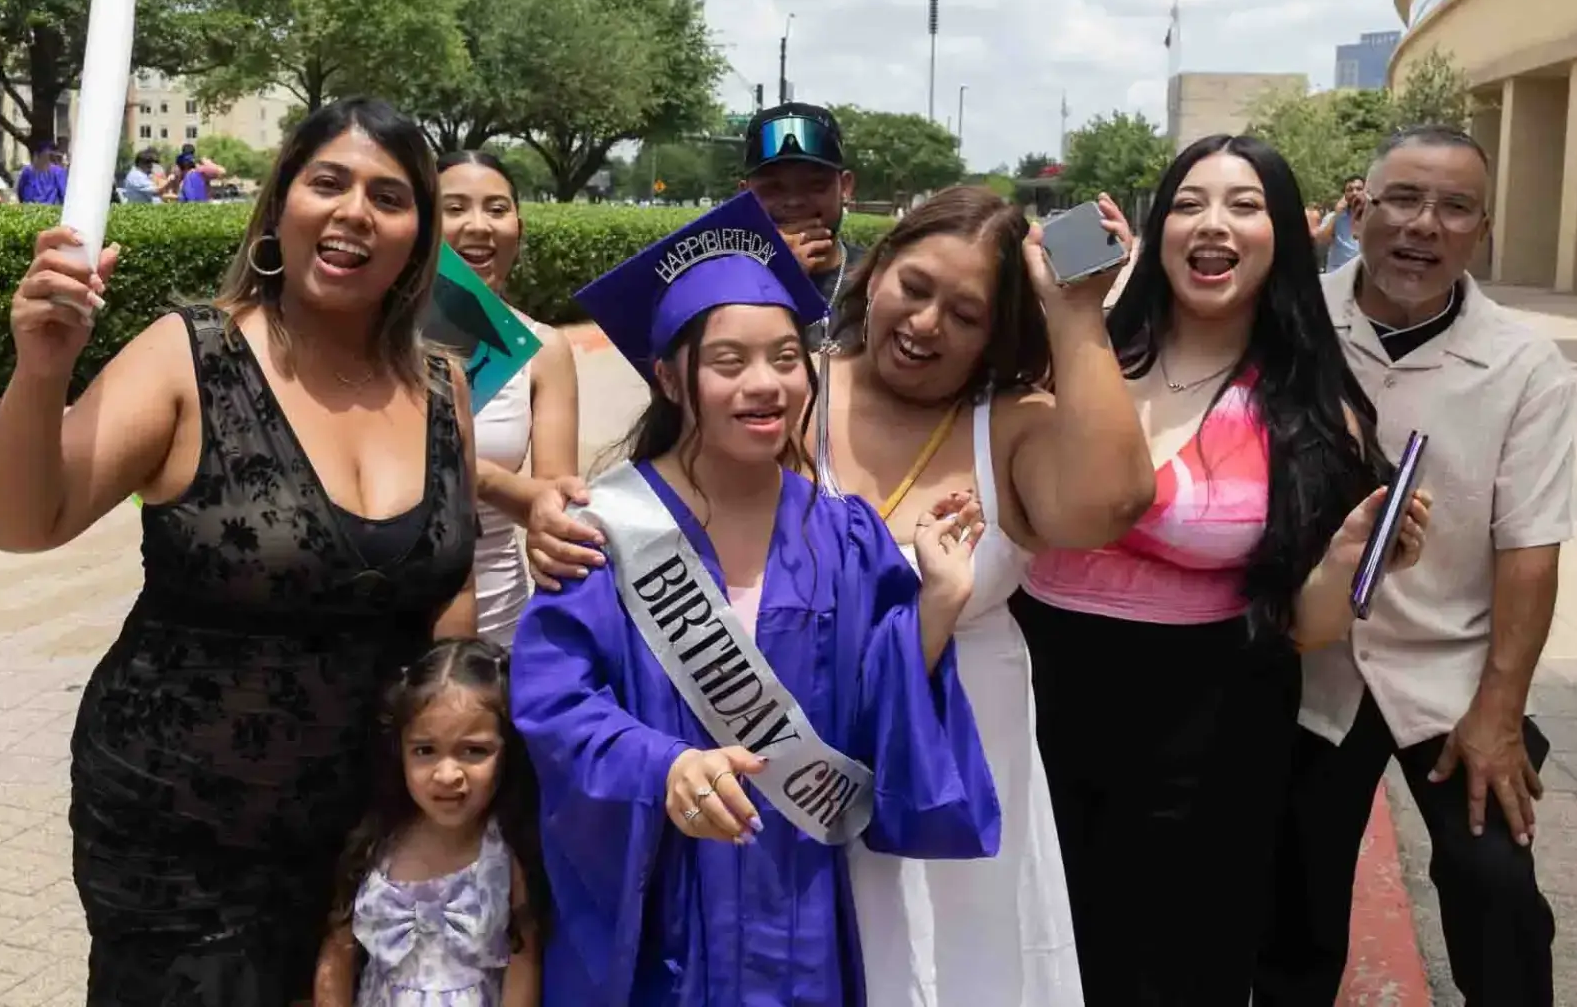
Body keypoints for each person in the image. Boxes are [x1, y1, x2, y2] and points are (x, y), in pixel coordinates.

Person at [0, 97, 479, 1005]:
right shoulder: (188, 357)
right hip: (180, 843)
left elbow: (448, 607)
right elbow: (18, 522)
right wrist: (41, 368)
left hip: (364, 838)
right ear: (280, 205)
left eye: (389, 196)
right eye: (328, 182)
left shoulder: (441, 387)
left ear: (416, 237)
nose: (355, 211)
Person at [511, 192, 1000, 1006]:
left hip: (798, 903)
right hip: (659, 898)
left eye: (784, 356)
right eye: (729, 362)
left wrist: (938, 604)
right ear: (670, 377)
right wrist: (664, 766)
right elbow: (556, 700)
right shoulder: (605, 529)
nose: (766, 384)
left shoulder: (844, 535)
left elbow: (875, 697)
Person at [1014, 135, 1429, 1005]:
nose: (1215, 224)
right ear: (1160, 228)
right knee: (1029, 952)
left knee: (1171, 971)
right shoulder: (1077, 356)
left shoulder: (1314, 412)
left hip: (1207, 739)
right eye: (1192, 203)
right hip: (1032, 703)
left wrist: (1352, 558)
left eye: (1245, 206)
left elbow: (1307, 624)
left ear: (1282, 234)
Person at [1257, 125, 1574, 1007]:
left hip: (1450, 671)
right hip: (1310, 665)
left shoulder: (1525, 367)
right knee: (1293, 908)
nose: (1423, 226)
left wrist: (1500, 713)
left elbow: (1530, 549)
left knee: (1495, 886)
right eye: (1403, 199)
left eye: (1454, 207)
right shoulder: (1289, 322)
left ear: (1483, 228)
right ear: (1364, 203)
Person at [816, 186, 1155, 1006]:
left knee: (970, 968)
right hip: (812, 745)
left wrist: (1075, 313)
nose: (927, 324)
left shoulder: (1011, 425)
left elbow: (1112, 503)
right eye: (915, 287)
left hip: (966, 761)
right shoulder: (796, 389)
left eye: (965, 314)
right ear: (876, 270)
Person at [314, 639, 545, 1007]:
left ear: (508, 752)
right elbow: (338, 952)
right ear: (400, 751)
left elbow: (524, 958)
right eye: (425, 750)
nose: (448, 773)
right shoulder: (376, 842)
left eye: (474, 751)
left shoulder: (507, 852)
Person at [437, 149, 595, 643]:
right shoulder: (366, 337)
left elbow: (552, 503)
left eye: (497, 209)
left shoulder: (543, 349)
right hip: (378, 621)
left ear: (518, 231)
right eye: (455, 208)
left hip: (496, 625)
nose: (479, 225)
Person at [739, 102, 865, 349]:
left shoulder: (878, 279)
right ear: (745, 195)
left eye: (815, 185)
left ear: (846, 187)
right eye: (773, 188)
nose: (794, 201)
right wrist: (775, 280)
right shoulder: (716, 283)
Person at [1314, 175, 1366, 272]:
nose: (1355, 193)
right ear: (1344, 195)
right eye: (1350, 190)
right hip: (1338, 273)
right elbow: (1322, 240)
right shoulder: (1333, 217)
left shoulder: (1373, 217)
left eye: (1359, 189)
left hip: (1363, 273)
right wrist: (1337, 215)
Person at [16, 140, 68, 205]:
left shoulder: (57, 173)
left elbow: (64, 196)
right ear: (36, 156)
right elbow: (20, 192)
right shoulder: (27, 172)